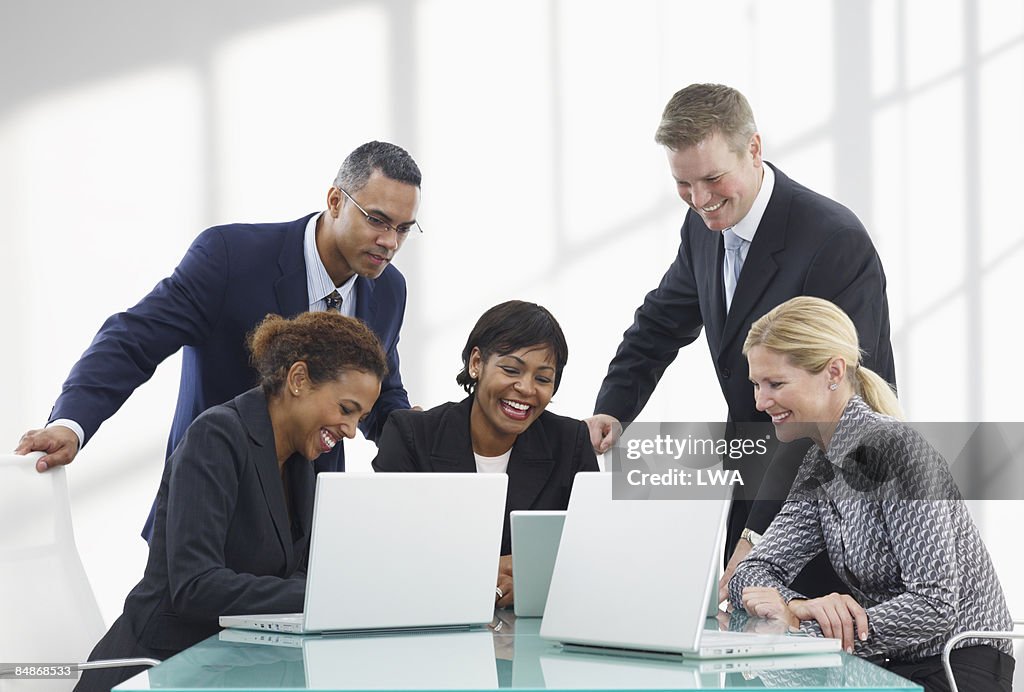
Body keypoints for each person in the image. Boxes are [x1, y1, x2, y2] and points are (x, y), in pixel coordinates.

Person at [16, 141, 420, 539]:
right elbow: (133, 339)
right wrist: (71, 423)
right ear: (335, 201)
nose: (390, 242)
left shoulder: (389, 291)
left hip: (307, 530)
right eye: (378, 220)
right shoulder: (232, 258)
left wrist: (418, 440)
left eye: (403, 229)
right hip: (211, 511)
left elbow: (381, 395)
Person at [585, 83, 896, 599]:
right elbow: (660, 324)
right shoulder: (702, 227)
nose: (700, 200)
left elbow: (837, 406)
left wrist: (760, 540)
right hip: (751, 472)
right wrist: (613, 411)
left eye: (711, 179)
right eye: (683, 184)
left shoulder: (832, 241)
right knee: (741, 644)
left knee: (819, 658)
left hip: (835, 495)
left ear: (754, 149)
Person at [74, 311, 388, 692]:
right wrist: (324, 594)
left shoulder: (303, 460)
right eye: (346, 409)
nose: (352, 431)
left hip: (234, 664)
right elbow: (196, 586)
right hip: (159, 666)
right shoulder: (217, 436)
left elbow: (301, 572)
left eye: (361, 417)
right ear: (298, 380)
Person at [730, 296, 1014, 692]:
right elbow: (751, 572)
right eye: (757, 385)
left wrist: (803, 624)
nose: (761, 402)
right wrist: (798, 605)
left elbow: (935, 606)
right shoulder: (820, 465)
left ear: (833, 372)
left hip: (955, 667)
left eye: (776, 384)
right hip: (887, 664)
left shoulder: (896, 452)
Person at [372, 300, 599, 608]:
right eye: (511, 369)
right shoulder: (411, 435)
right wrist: (478, 572)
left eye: (543, 378)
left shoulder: (570, 442)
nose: (526, 388)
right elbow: (386, 551)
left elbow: (591, 555)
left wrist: (532, 585)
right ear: (476, 363)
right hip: (428, 625)